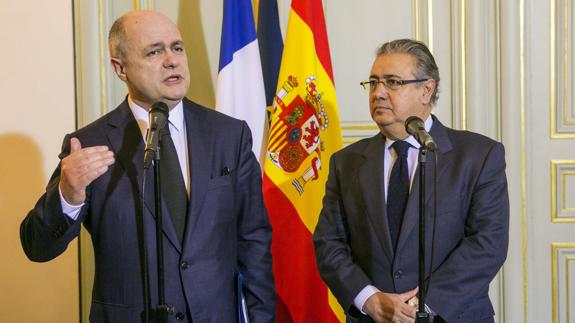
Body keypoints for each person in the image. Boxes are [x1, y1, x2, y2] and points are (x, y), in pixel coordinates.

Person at [20, 10, 275, 323]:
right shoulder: (88, 144)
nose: (172, 60)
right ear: (120, 68)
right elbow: (37, 246)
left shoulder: (228, 135)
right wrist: (67, 196)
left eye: (177, 47)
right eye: (154, 51)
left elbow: (254, 240)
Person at [313, 39, 509, 323]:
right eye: (373, 82)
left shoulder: (478, 156)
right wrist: (369, 299)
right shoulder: (347, 162)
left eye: (392, 82)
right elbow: (328, 242)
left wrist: (420, 307)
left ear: (426, 90)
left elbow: (488, 243)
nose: (378, 93)